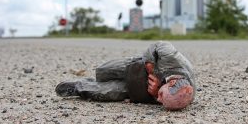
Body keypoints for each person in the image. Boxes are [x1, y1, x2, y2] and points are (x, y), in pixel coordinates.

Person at [55, 41, 196, 110]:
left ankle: (79, 87)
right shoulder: (171, 57)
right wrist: (150, 65)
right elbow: (157, 46)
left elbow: (161, 100)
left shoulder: (181, 97)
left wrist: (154, 95)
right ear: (171, 83)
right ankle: (94, 80)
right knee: (102, 71)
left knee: (106, 92)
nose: (160, 101)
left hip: (135, 90)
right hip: (134, 67)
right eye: (161, 96)